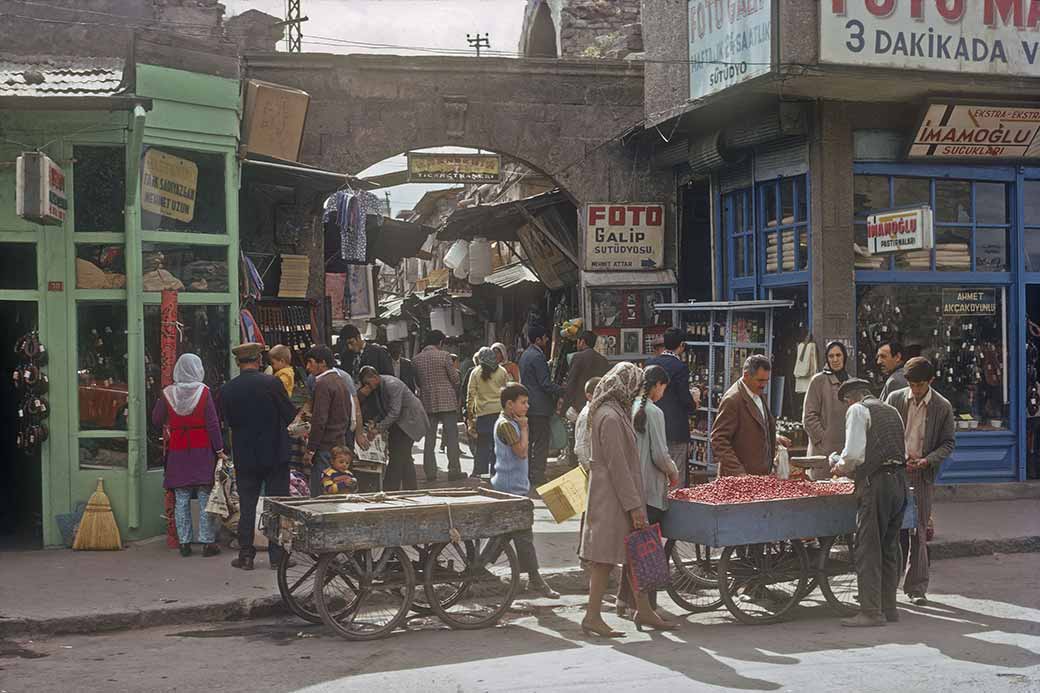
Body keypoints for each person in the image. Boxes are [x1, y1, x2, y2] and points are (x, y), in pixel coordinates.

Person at [579, 363, 677, 638]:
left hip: (617, 495)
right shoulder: (610, 417)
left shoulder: (613, 411)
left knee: (633, 554)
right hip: (614, 498)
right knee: (604, 559)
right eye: (634, 387)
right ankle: (593, 616)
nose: (636, 392)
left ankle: (642, 609)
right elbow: (618, 466)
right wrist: (634, 506)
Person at [829, 378, 908, 627]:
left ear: (851, 398)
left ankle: (871, 612)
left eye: (846, 403)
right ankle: (889, 607)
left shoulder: (858, 410)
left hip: (877, 485)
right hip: (899, 483)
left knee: (868, 547)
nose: (846, 407)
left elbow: (853, 455)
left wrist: (839, 467)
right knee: (889, 547)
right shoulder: (892, 411)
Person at [219, 342, 297, 571]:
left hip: (246, 456)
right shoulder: (272, 383)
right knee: (276, 506)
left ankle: (246, 556)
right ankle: (277, 557)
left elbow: (229, 422)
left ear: (238, 362)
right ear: (259, 360)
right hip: (275, 455)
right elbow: (289, 415)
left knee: (247, 505)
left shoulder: (228, 389)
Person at [885, 357, 955, 606]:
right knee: (893, 530)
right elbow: (883, 431)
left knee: (919, 532)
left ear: (930, 382)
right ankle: (888, 585)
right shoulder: (894, 399)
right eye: (912, 385)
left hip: (922, 475)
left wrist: (927, 460)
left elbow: (948, 443)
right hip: (896, 472)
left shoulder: (942, 406)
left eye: (920, 385)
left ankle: (916, 587)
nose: (915, 390)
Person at [616, 365, 679, 614]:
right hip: (650, 490)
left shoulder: (629, 408)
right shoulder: (654, 412)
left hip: (632, 488)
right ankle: (644, 607)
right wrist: (673, 472)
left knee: (634, 545)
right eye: (663, 387)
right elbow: (660, 455)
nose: (663, 392)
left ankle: (623, 600)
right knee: (648, 550)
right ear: (657, 386)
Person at [490, 383, 560, 599]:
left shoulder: (511, 422)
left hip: (513, 485)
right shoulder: (507, 425)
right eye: (523, 402)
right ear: (510, 404)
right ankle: (536, 580)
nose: (527, 406)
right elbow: (521, 452)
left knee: (507, 533)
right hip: (510, 487)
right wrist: (526, 428)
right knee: (523, 535)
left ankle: (481, 565)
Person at [152, 353, 225, 558]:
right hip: (202, 449)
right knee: (204, 495)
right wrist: (219, 449)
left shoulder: (168, 393)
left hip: (178, 448)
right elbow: (212, 423)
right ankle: (207, 542)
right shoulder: (204, 392)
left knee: (181, 497)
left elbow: (156, 419)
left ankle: (184, 542)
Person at [711, 354, 791, 477]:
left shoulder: (756, 392)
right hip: (739, 480)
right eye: (760, 380)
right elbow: (718, 439)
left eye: (766, 381)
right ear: (746, 376)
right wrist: (738, 472)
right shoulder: (732, 400)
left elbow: (753, 426)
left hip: (759, 476)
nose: (763, 385)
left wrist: (773, 438)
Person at [359, 366, 429, 491]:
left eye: (368, 383)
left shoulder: (392, 384)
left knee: (398, 455)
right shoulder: (378, 388)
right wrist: (375, 422)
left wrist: (378, 428)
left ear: (375, 377)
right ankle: (411, 488)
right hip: (400, 422)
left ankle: (391, 488)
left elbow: (394, 411)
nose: (367, 386)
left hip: (410, 421)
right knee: (404, 455)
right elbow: (383, 409)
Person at [413, 330, 464, 482]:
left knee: (429, 439)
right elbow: (455, 379)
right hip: (447, 401)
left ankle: (430, 473)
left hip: (427, 402)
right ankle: (454, 470)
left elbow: (417, 382)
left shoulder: (416, 359)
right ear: (440, 342)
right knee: (452, 437)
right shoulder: (444, 356)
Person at [645, 328, 698, 471]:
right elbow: (684, 398)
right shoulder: (680, 367)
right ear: (681, 345)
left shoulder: (650, 362)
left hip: (651, 424)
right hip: (675, 427)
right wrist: (694, 404)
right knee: (676, 471)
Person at [303, 346, 351, 498]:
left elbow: (320, 420)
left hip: (325, 446)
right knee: (334, 490)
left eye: (310, 363)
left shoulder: (322, 383)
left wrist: (310, 450)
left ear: (322, 363)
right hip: (338, 442)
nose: (307, 367)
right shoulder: (340, 380)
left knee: (322, 493)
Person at [519, 326, 562, 486]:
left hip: (529, 404)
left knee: (530, 441)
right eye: (545, 337)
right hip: (540, 406)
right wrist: (562, 390)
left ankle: (529, 472)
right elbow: (545, 383)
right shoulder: (537, 356)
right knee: (541, 442)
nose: (547, 340)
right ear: (538, 339)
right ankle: (537, 474)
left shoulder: (525, 354)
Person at [802, 340, 851, 479]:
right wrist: (823, 439)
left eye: (838, 355)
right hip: (823, 451)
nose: (835, 359)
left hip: (846, 450)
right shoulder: (818, 381)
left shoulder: (852, 382)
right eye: (831, 356)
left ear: (844, 357)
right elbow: (809, 417)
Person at [467, 346, 509, 478]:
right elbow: (508, 392)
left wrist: (470, 415)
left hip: (483, 413)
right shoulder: (502, 371)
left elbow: (470, 395)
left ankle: (479, 471)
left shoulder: (475, 372)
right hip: (499, 413)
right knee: (498, 443)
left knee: (482, 445)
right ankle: (496, 472)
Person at [339, 324, 394, 423]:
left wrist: (371, 387)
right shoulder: (346, 356)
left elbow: (389, 378)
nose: (350, 347)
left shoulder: (378, 352)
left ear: (358, 337)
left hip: (375, 405)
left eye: (351, 343)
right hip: (353, 404)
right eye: (346, 345)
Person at [562, 331, 611, 418]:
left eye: (578, 341)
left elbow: (571, 382)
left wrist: (564, 407)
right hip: (597, 405)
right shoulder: (603, 360)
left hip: (579, 406)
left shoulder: (577, 357)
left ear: (582, 342)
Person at [574, 376, 601, 472]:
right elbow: (580, 446)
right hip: (591, 469)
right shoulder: (587, 415)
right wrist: (588, 469)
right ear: (589, 396)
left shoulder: (595, 411)